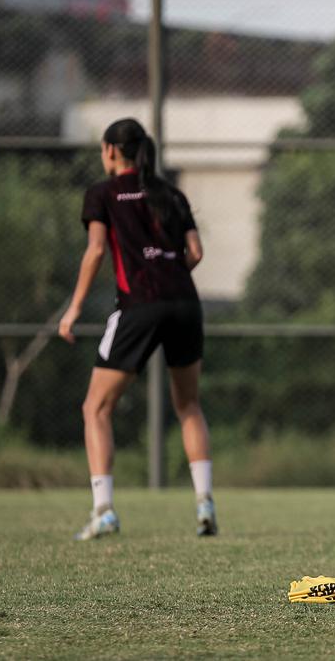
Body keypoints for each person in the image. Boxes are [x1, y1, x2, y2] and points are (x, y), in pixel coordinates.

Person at [59, 118, 217, 540]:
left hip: (138, 306)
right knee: (188, 405)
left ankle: (104, 510)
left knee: (96, 408)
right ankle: (205, 505)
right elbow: (196, 252)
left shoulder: (103, 194)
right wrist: (168, 274)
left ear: (111, 150)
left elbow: (95, 250)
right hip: (185, 303)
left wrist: (73, 309)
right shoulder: (171, 193)